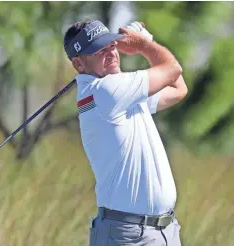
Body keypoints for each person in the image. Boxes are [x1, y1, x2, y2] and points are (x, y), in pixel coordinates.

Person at [63, 19, 188, 246]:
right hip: (128, 236)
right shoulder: (107, 92)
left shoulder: (119, 93)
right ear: (79, 65)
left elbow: (179, 88)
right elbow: (173, 69)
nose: (111, 53)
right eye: (99, 51)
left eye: (111, 45)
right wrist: (143, 45)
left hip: (163, 232)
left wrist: (147, 41)